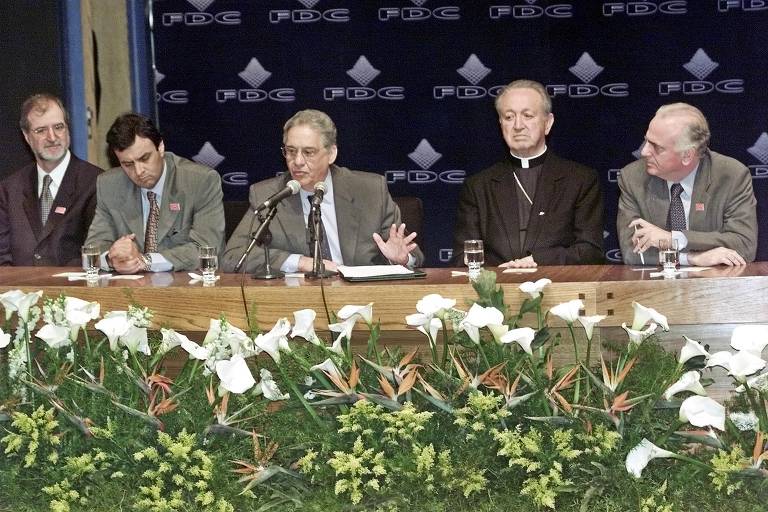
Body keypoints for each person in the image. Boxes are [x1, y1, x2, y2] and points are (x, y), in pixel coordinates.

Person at [222, 109, 423, 274]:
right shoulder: (268, 194)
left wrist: (402, 258)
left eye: (308, 152)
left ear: (331, 153)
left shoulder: (370, 191)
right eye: (291, 151)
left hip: (361, 301)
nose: (297, 161)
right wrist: (301, 262)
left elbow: (413, 255)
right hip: (296, 305)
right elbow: (233, 257)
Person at [452, 79, 603, 267]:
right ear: (501, 124)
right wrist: (498, 272)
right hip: (496, 289)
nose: (517, 125)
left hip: (558, 288)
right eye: (509, 117)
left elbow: (590, 251)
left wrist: (537, 261)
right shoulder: (478, 186)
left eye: (527, 115)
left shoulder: (580, 180)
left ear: (548, 123)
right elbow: (462, 256)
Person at [617, 103, 757, 267]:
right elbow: (631, 252)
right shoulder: (633, 178)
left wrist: (675, 239)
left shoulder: (731, 176)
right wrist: (691, 259)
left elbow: (745, 244)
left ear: (687, 155)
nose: (644, 152)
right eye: (646, 141)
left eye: (656, 147)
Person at [85, 113, 225, 273]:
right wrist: (112, 258)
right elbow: (92, 249)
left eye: (144, 158)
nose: (138, 171)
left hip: (185, 288)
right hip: (132, 288)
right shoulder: (109, 184)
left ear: (160, 148)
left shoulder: (200, 181)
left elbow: (207, 249)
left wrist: (146, 261)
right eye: (128, 164)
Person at [0, 94, 102, 266]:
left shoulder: (96, 182)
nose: (52, 137)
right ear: (26, 136)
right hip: (20, 290)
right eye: (41, 130)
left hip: (74, 291)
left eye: (58, 127)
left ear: (68, 130)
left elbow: (97, 252)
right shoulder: (10, 189)